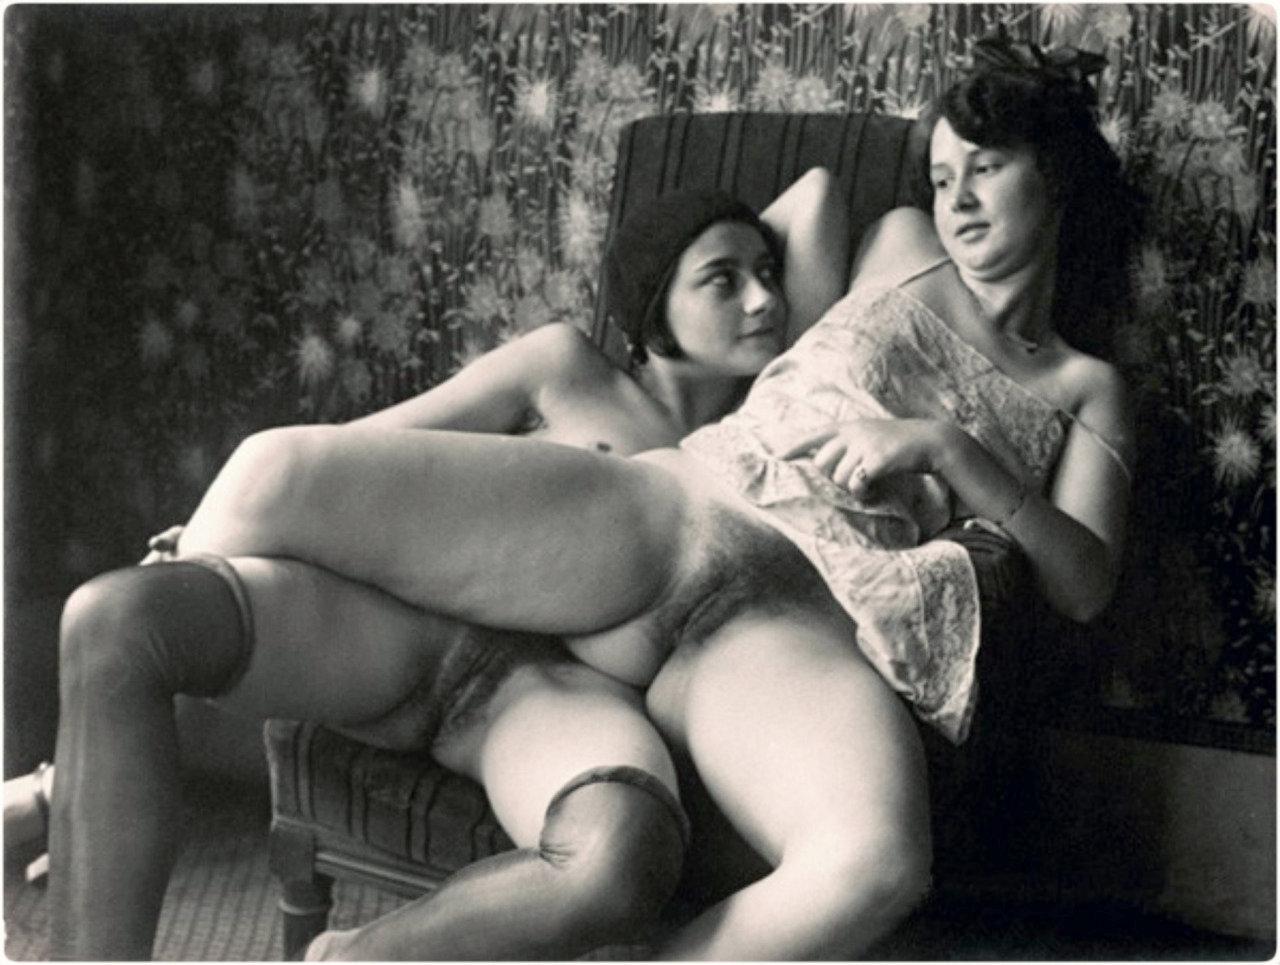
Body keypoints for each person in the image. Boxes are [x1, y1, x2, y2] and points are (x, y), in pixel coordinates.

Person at [53, 31, 1143, 960]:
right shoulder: (898, 246)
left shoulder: (1086, 389)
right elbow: (808, 202)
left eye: (985, 169)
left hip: (797, 618)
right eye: (941, 173)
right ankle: (81, 769)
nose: (954, 200)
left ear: (1053, 178)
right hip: (679, 509)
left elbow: (1085, 580)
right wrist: (709, 329)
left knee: (875, 863)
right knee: (278, 469)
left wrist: (949, 449)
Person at [46, 172, 850, 961]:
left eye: (769, 273)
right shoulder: (568, 368)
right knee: (120, 617)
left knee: (617, 857)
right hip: (408, 629)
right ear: (652, 304)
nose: (764, 300)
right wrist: (208, 533)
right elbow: (373, 446)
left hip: (556, 694)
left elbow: (818, 198)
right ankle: (58, 806)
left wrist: (722, 256)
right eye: (723, 279)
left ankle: (347, 957)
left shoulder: (764, 428)